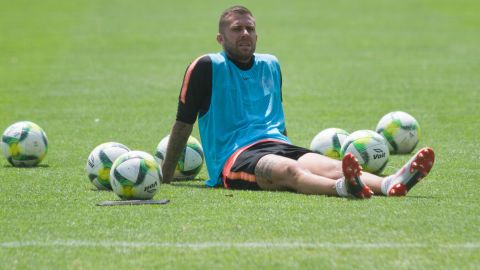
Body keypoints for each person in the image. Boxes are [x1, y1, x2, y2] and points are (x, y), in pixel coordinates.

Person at [161, 5, 435, 199]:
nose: (245, 34)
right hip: (235, 157)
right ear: (221, 38)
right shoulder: (206, 66)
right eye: (237, 29)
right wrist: (166, 175)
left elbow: (276, 115)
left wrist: (286, 144)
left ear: (257, 36)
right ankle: (343, 188)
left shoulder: (271, 64)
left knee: (329, 165)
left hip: (278, 143)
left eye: (250, 29)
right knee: (289, 171)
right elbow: (183, 122)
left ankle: (389, 184)